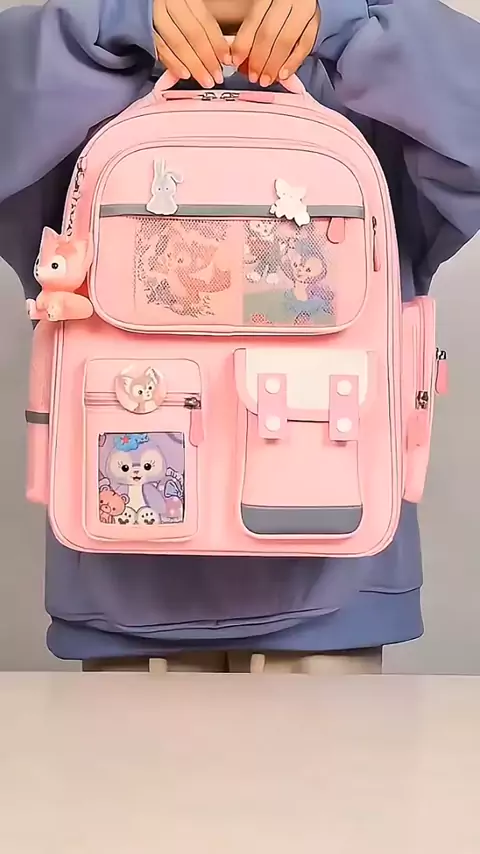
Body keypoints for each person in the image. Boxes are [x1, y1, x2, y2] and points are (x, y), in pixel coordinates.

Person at [0, 0, 479, 674]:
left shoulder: (350, 73)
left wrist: (341, 20)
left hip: (316, 575)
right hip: (169, 571)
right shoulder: (105, 62)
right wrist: (122, 20)